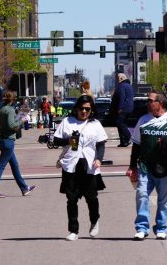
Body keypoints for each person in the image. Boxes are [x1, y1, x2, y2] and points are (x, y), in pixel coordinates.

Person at [126, 92, 167, 240]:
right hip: (145, 166)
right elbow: (136, 144)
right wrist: (132, 166)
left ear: (159, 103)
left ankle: (161, 228)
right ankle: (142, 228)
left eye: (150, 101)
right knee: (141, 195)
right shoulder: (143, 120)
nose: (147, 103)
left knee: (163, 198)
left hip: (165, 167)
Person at [53, 94, 108, 240]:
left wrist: (99, 159)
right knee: (71, 199)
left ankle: (94, 220)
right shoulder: (67, 122)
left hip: (89, 164)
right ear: (76, 109)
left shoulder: (95, 124)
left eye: (88, 109)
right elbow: (56, 140)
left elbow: (101, 144)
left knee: (91, 197)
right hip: (71, 165)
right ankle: (73, 231)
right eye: (82, 109)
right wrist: (68, 140)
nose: (84, 112)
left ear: (92, 110)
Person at [0, 89, 37, 198]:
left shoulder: (0, 109)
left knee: (15, 165)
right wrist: (22, 120)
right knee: (1, 166)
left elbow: (0, 124)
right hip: (8, 140)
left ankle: (24, 188)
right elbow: (11, 125)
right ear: (12, 99)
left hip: (1, 139)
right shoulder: (9, 109)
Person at [110, 73, 135, 147]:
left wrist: (120, 108)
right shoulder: (129, 86)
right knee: (122, 124)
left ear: (121, 78)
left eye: (117, 78)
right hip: (130, 108)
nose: (116, 80)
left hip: (123, 108)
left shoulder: (121, 86)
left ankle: (128, 136)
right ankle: (123, 142)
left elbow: (122, 97)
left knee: (119, 123)